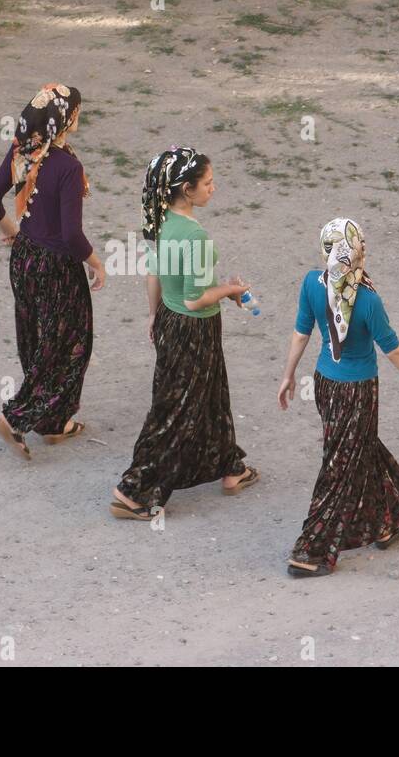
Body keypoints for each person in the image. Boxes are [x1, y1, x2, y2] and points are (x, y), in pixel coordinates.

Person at [276, 217, 399, 576]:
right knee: (339, 467)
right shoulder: (367, 301)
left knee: (358, 447)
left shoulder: (311, 283)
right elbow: (394, 351)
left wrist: (288, 375)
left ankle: (384, 522)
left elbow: (301, 333)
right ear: (354, 251)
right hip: (358, 391)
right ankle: (309, 551)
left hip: (325, 384)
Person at [110, 147, 258, 519]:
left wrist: (152, 314)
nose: (214, 188)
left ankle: (230, 467)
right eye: (208, 183)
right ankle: (134, 490)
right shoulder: (196, 237)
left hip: (170, 320)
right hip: (195, 328)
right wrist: (231, 290)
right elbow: (196, 299)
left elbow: (154, 273)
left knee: (210, 395)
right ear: (187, 189)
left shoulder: (163, 223)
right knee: (178, 410)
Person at [0, 83, 105, 460]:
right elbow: (70, 234)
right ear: (67, 119)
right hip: (56, 268)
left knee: (37, 338)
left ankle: (55, 423)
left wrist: (14, 233)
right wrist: (96, 262)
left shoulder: (23, 150)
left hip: (24, 261)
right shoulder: (68, 167)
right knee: (68, 344)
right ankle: (16, 415)